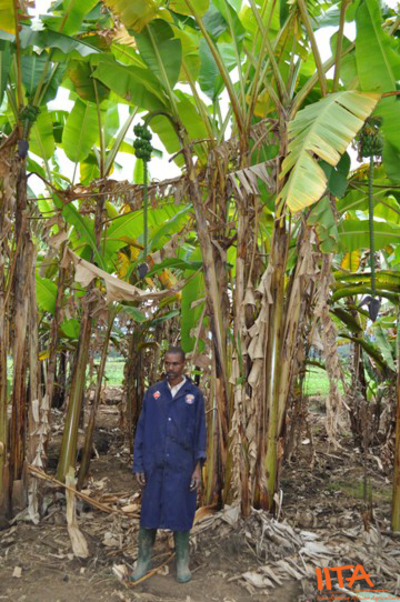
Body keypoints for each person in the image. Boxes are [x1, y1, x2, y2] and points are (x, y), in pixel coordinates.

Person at [132, 346, 206, 583]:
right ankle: (143, 559)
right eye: (167, 363)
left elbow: (200, 433)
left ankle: (182, 561)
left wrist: (197, 467)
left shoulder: (194, 396)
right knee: (149, 511)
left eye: (175, 364)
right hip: (154, 464)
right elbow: (141, 430)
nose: (170, 368)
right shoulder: (154, 393)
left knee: (181, 511)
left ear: (183, 365)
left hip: (182, 465)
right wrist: (139, 464)